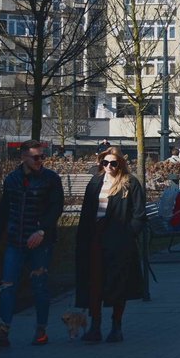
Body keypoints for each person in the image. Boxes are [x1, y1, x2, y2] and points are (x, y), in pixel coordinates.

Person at [0, 141, 64, 347]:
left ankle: (41, 329)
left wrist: (42, 230)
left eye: (42, 156)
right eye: (35, 157)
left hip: (41, 241)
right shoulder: (12, 180)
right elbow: (5, 209)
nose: (40, 161)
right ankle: (4, 330)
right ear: (23, 157)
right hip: (15, 239)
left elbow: (56, 207)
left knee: (39, 285)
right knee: (7, 285)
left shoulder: (50, 179)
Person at [74, 147, 145, 343]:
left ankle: (116, 326)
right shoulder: (96, 182)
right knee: (95, 282)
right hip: (96, 238)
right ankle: (95, 326)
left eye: (113, 163)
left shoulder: (130, 183)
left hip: (119, 240)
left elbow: (139, 214)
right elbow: (87, 212)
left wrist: (128, 234)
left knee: (118, 283)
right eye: (105, 163)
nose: (109, 167)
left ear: (120, 163)